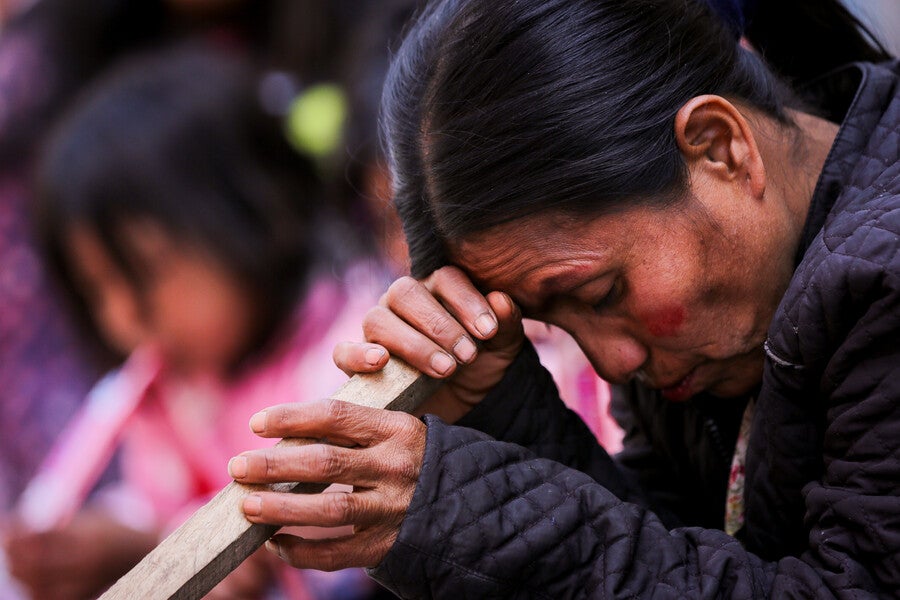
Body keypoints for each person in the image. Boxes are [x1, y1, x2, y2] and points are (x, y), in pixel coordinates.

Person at [222, 0, 900, 597]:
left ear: (720, 148)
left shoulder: (883, 282)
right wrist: (502, 408)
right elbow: (686, 547)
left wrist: (468, 517)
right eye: (558, 320)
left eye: (603, 292)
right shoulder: (701, 336)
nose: (610, 361)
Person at [4, 46, 387, 599]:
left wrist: (164, 546)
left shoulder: (355, 345)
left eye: (145, 273)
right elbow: (155, 495)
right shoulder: (178, 387)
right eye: (96, 290)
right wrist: (124, 536)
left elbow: (337, 533)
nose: (121, 315)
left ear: (254, 212)